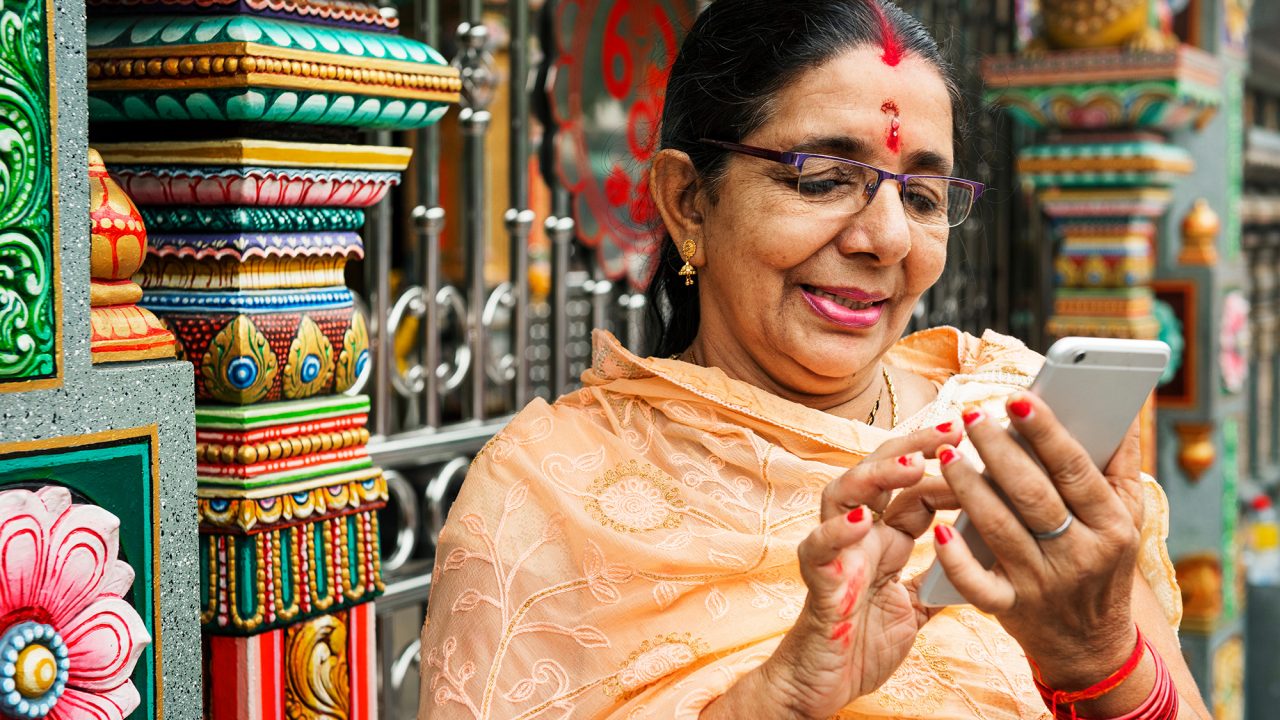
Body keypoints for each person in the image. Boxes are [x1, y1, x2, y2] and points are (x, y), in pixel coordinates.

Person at [418, 1, 1210, 717]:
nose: (888, 238)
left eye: (925, 199)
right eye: (825, 179)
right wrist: (779, 700)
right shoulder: (548, 492)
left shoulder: (1008, 423)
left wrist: (1099, 660)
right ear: (689, 200)